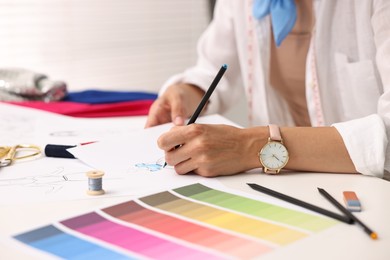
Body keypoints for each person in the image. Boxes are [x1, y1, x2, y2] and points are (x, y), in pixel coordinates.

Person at [145, 0, 389, 180]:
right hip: (287, 184)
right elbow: (213, 68)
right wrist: (188, 91)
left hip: (369, 188)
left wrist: (252, 146)